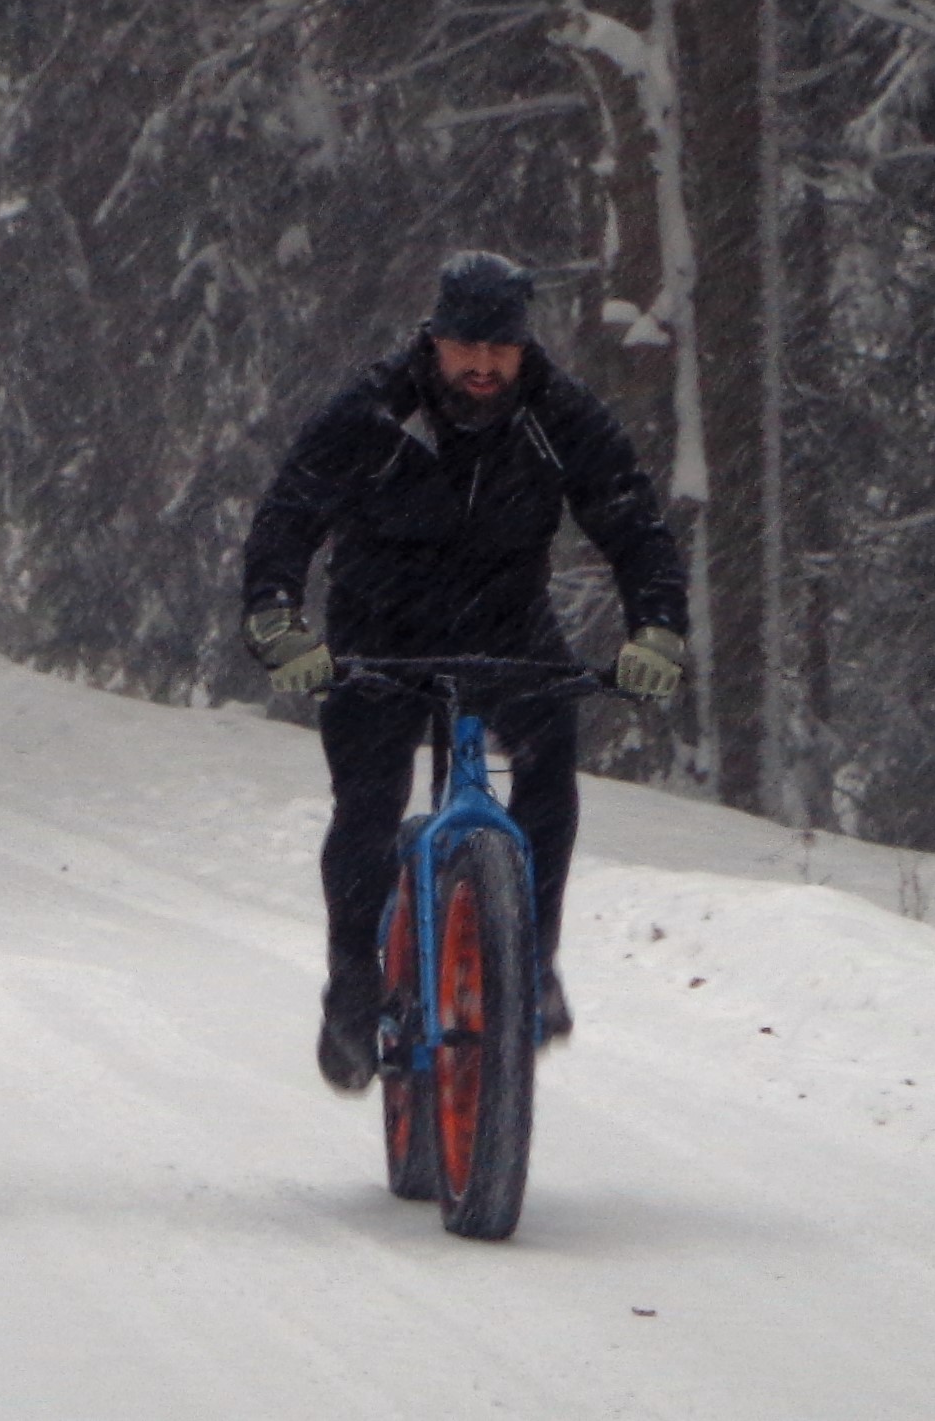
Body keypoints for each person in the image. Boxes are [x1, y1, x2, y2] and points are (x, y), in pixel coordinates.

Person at [238, 250, 689, 1094]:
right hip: (380, 631)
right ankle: (352, 982)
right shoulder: (373, 408)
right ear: (434, 340)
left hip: (506, 623)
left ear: (524, 349)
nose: (482, 367)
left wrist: (657, 627)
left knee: (549, 764)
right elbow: (289, 512)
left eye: (501, 350)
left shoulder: (559, 411)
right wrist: (276, 617)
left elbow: (632, 520)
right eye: (464, 348)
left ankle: (532, 960)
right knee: (369, 801)